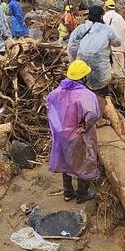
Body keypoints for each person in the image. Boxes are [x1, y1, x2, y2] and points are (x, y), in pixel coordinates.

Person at [46, 61, 101, 203]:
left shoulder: (55, 93)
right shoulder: (86, 95)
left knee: (66, 161)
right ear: (83, 77)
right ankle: (82, 193)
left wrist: (58, 130)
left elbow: (51, 112)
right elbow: (92, 114)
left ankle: (68, 192)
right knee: (84, 161)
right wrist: (86, 126)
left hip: (62, 135)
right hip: (78, 135)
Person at [66, 5, 118, 91]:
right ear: (101, 16)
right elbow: (118, 43)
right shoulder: (107, 29)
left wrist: (74, 62)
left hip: (81, 74)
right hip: (101, 75)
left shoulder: (81, 28)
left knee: (83, 89)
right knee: (101, 89)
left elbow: (71, 47)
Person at [102, 0, 125, 74]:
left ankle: (114, 72)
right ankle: (121, 72)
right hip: (120, 43)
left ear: (106, 7)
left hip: (109, 42)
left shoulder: (104, 17)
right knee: (120, 56)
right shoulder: (119, 17)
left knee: (111, 57)